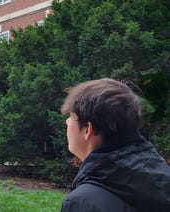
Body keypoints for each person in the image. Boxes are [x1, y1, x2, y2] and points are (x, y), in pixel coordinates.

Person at [60, 78, 170, 212]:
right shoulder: (162, 180)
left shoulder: (83, 203)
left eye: (71, 116)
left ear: (88, 129)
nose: (67, 122)